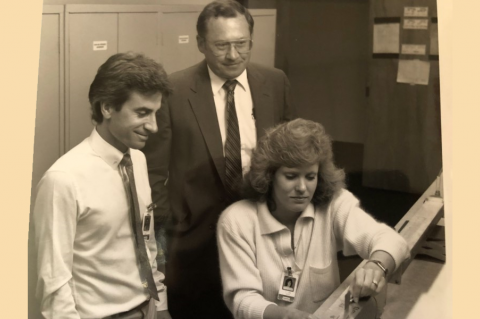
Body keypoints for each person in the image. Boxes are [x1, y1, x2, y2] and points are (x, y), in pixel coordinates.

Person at [142, 1, 294, 318]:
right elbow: (153, 175)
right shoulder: (174, 90)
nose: (233, 55)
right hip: (194, 244)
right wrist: (167, 236)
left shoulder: (275, 82)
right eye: (221, 45)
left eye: (241, 44)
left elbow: (290, 159)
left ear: (251, 40)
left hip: (261, 236)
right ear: (201, 44)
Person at [217, 119, 410, 319]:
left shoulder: (334, 204)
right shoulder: (236, 221)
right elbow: (242, 300)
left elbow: (391, 239)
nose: (302, 188)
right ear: (269, 176)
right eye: (291, 176)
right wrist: (286, 316)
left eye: (310, 177)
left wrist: (375, 266)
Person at [33, 52, 173, 319]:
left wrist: (161, 304)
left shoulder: (138, 160)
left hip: (149, 308)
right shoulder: (63, 179)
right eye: (142, 113)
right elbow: (54, 284)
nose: (153, 127)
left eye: (156, 113)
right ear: (107, 107)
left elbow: (146, 242)